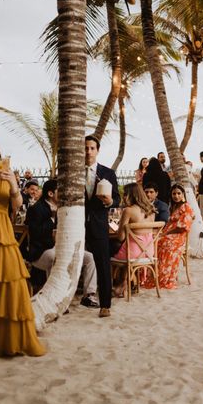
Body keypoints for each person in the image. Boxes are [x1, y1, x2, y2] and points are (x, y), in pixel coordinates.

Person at [0, 134, 46, 360]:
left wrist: (14, 186)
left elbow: (17, 205)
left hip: (3, 231)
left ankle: (7, 341)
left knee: (10, 284)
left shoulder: (6, 173)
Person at [26, 179, 99, 307]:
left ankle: (89, 295)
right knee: (55, 258)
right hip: (42, 251)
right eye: (60, 190)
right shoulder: (36, 209)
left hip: (65, 247)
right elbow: (35, 233)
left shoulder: (65, 207)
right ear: (50, 194)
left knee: (90, 258)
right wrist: (52, 219)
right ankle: (55, 298)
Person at [84, 135, 120, 318]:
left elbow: (118, 200)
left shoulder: (107, 173)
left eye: (91, 148)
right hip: (77, 223)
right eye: (85, 148)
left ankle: (105, 304)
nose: (88, 151)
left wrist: (110, 201)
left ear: (97, 150)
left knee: (103, 264)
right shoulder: (73, 172)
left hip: (98, 224)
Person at [142, 184, 194, 290]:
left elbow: (183, 227)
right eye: (174, 193)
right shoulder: (173, 207)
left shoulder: (186, 207)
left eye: (179, 193)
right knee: (153, 242)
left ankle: (165, 278)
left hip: (178, 237)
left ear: (183, 194)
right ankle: (152, 276)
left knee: (164, 243)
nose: (176, 196)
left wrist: (166, 233)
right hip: (169, 234)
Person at [112, 183, 156, 297]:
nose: (124, 197)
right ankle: (127, 284)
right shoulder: (151, 210)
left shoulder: (128, 211)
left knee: (109, 249)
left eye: (125, 194)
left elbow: (121, 237)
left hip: (133, 253)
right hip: (148, 253)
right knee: (124, 248)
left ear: (132, 195)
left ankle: (117, 285)